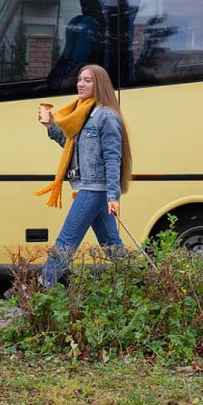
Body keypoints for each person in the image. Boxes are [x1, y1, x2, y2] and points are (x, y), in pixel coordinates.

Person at [34, 64, 133, 286]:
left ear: (100, 84)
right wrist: (50, 125)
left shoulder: (107, 117)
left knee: (66, 241)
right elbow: (73, 148)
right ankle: (136, 283)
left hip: (94, 188)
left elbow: (112, 158)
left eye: (88, 80)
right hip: (88, 187)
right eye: (80, 79)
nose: (81, 83)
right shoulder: (83, 114)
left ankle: (42, 287)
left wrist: (113, 197)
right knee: (111, 244)